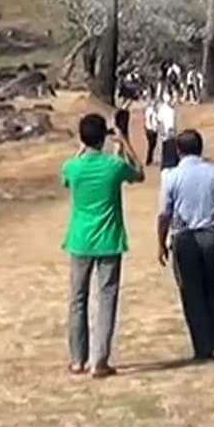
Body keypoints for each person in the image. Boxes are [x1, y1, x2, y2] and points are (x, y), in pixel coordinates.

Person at [62, 113, 144, 379]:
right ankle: (100, 360)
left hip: (80, 241)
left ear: (83, 138)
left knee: (77, 299)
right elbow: (139, 174)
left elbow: (67, 179)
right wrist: (126, 142)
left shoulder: (72, 167)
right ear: (104, 138)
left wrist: (82, 148)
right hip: (109, 240)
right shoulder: (113, 166)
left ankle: (77, 359)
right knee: (106, 299)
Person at [157, 130, 214, 360]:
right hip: (211, 237)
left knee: (191, 293)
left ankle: (202, 346)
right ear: (201, 148)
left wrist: (161, 243)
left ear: (178, 151)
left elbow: (164, 215)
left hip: (184, 238)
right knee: (212, 289)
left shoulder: (172, 176)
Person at [152, 95, 180, 171]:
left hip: (165, 133)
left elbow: (159, 121)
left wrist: (161, 132)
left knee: (164, 149)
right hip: (170, 133)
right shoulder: (171, 110)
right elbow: (171, 124)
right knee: (171, 148)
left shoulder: (162, 110)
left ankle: (166, 164)